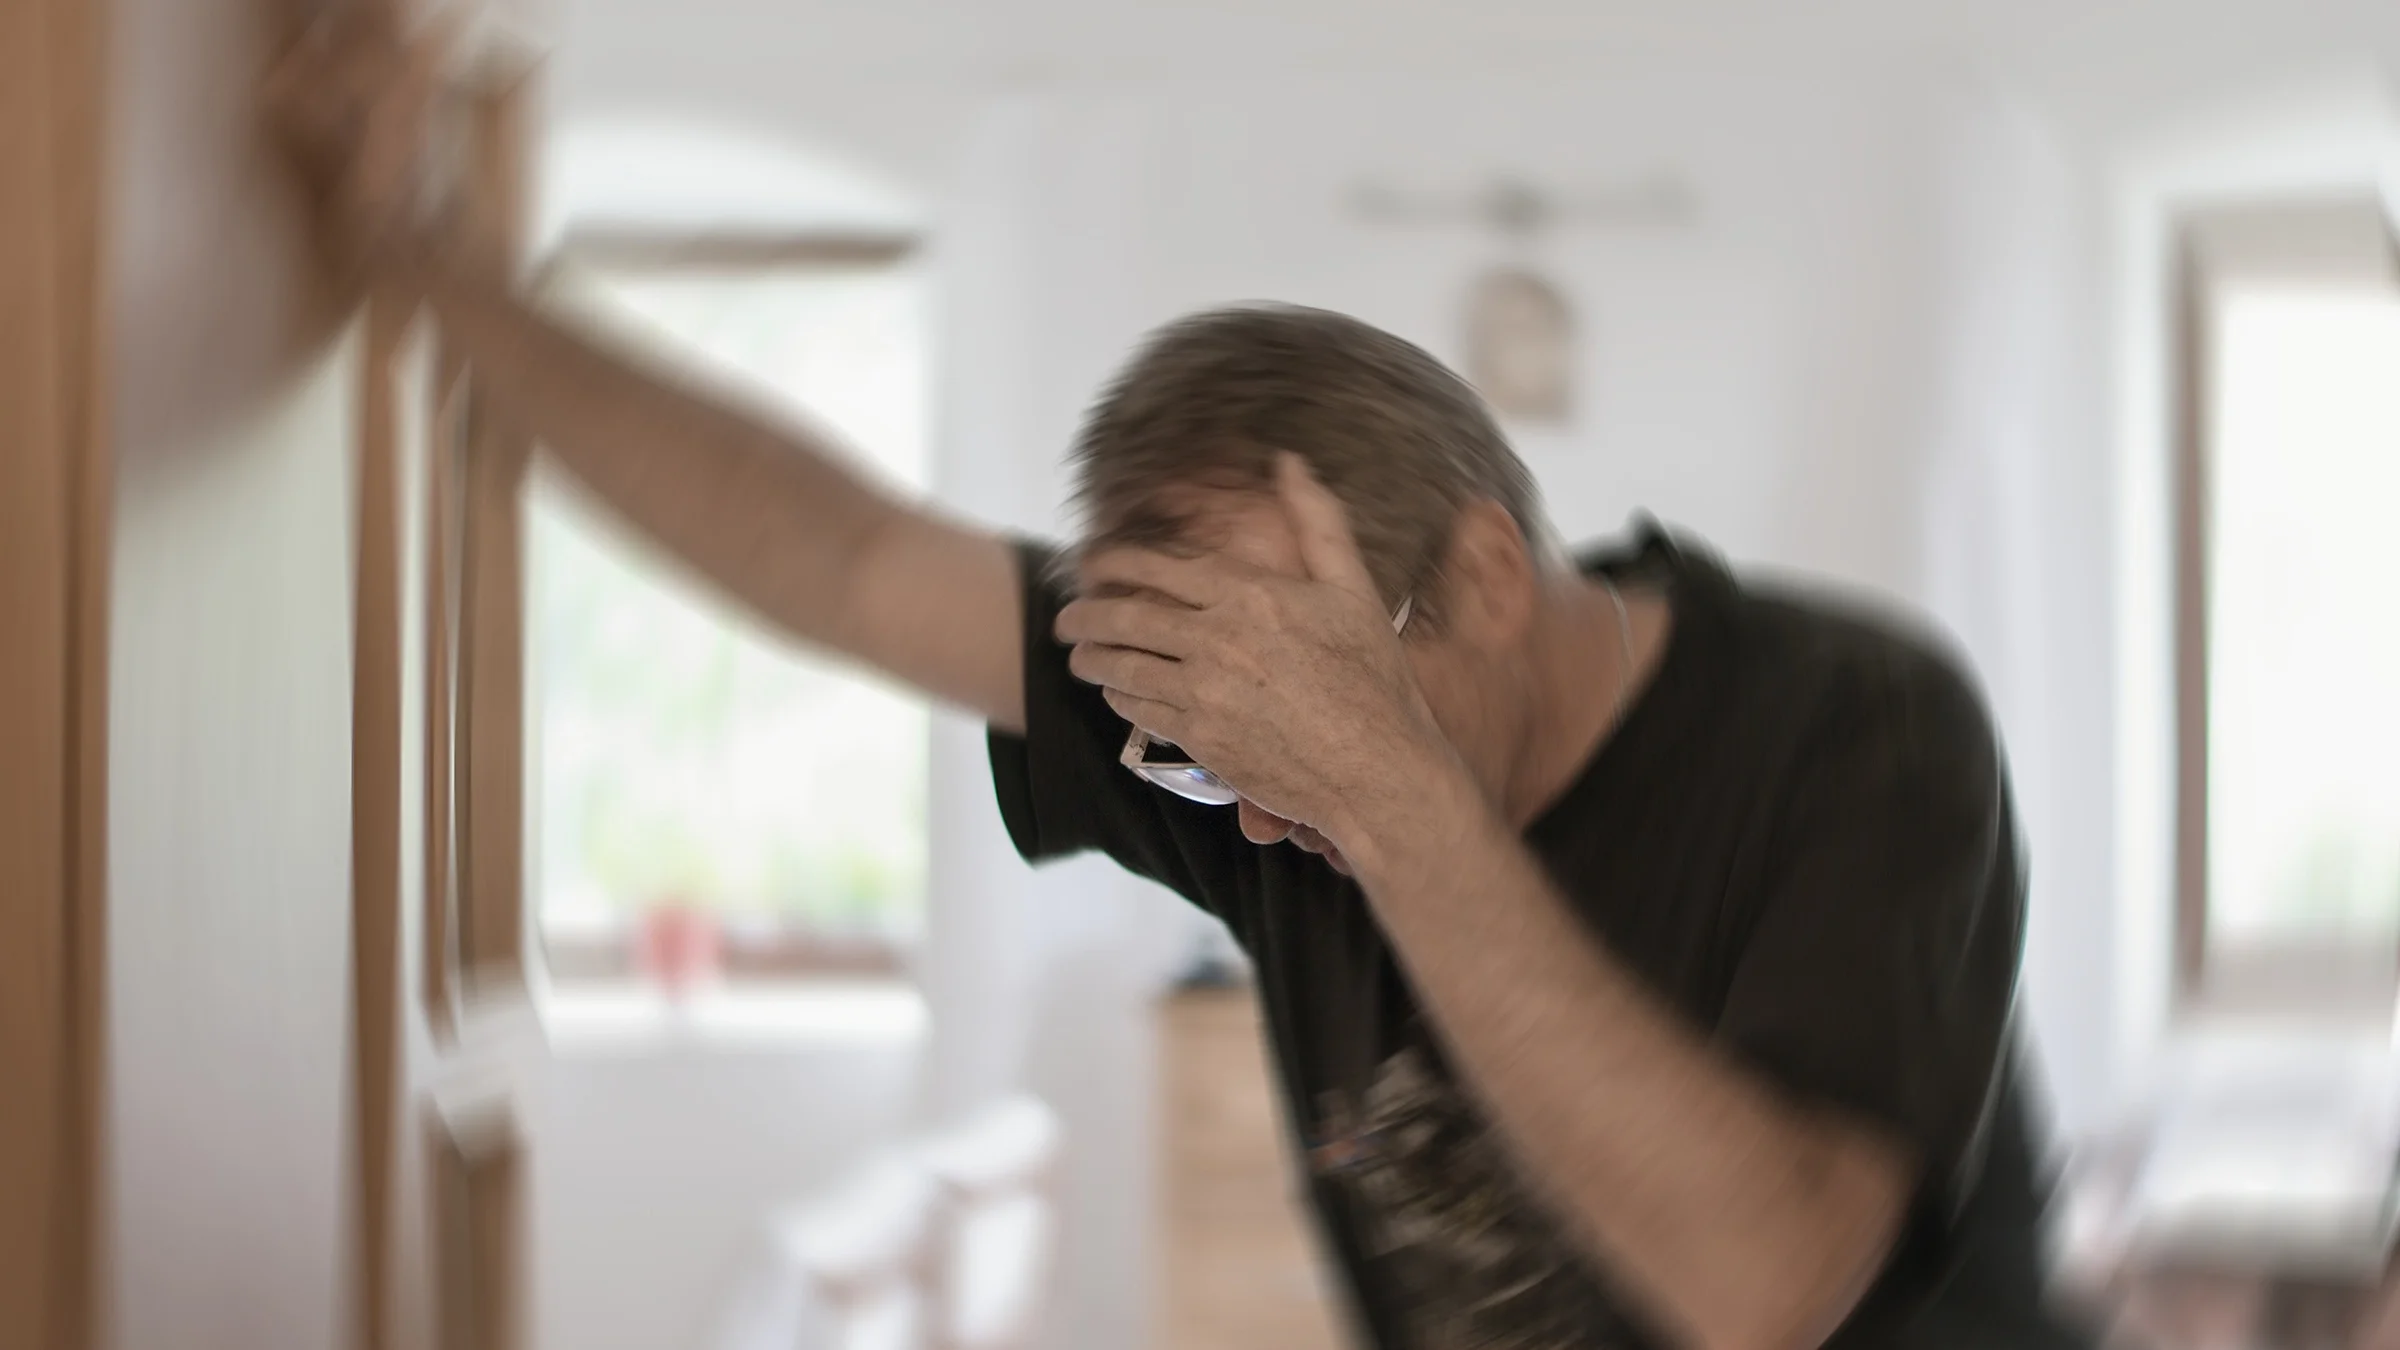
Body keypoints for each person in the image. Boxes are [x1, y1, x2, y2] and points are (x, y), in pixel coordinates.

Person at [270, 20, 2094, 1350]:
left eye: (1294, 708)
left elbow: (1768, 1284)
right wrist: (417, 253)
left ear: (1477, 573)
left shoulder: (1858, 730)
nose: (1264, 799)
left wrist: (1382, 788)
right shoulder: (1219, 717)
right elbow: (831, 553)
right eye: (1202, 737)